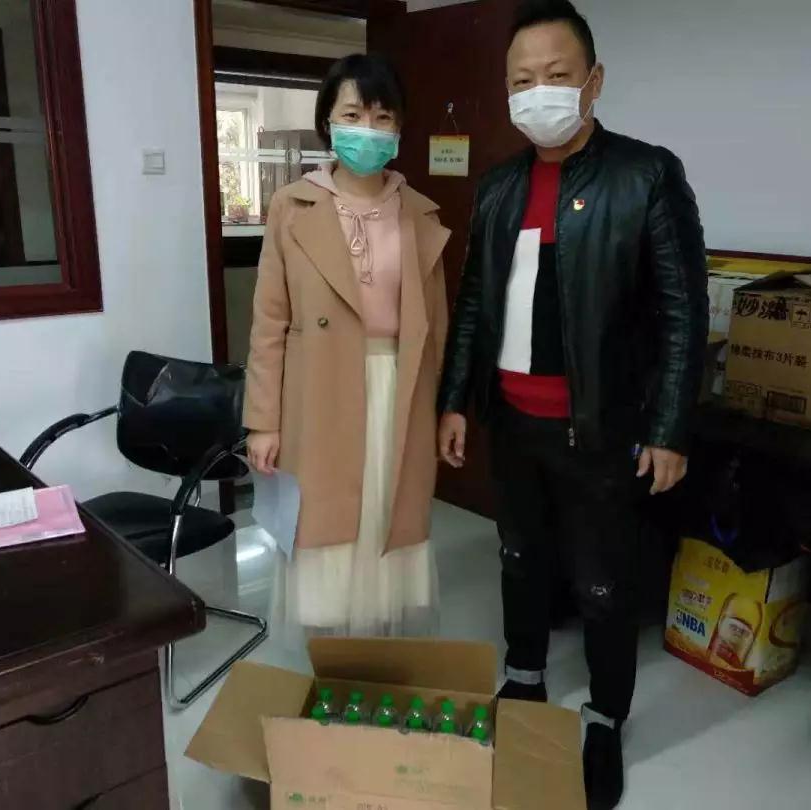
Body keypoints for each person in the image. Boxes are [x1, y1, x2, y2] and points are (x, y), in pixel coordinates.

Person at [437, 1, 708, 807]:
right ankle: (523, 676)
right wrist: (456, 400)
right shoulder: (499, 185)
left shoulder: (644, 174)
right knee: (519, 556)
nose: (539, 93)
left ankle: (604, 715)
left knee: (602, 583)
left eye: (557, 75)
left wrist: (669, 428)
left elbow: (684, 312)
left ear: (593, 82)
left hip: (601, 427)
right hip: (512, 419)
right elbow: (475, 303)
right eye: (522, 80)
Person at [245, 53, 451, 638]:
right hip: (320, 386)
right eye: (354, 114)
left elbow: (437, 326)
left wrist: (445, 411)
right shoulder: (292, 206)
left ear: (399, 128)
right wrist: (262, 421)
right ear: (328, 122)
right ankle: (332, 646)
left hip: (398, 387)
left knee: (387, 511)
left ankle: (375, 643)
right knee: (328, 517)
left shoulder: (420, 213)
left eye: (383, 117)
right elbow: (268, 321)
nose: (368, 129)